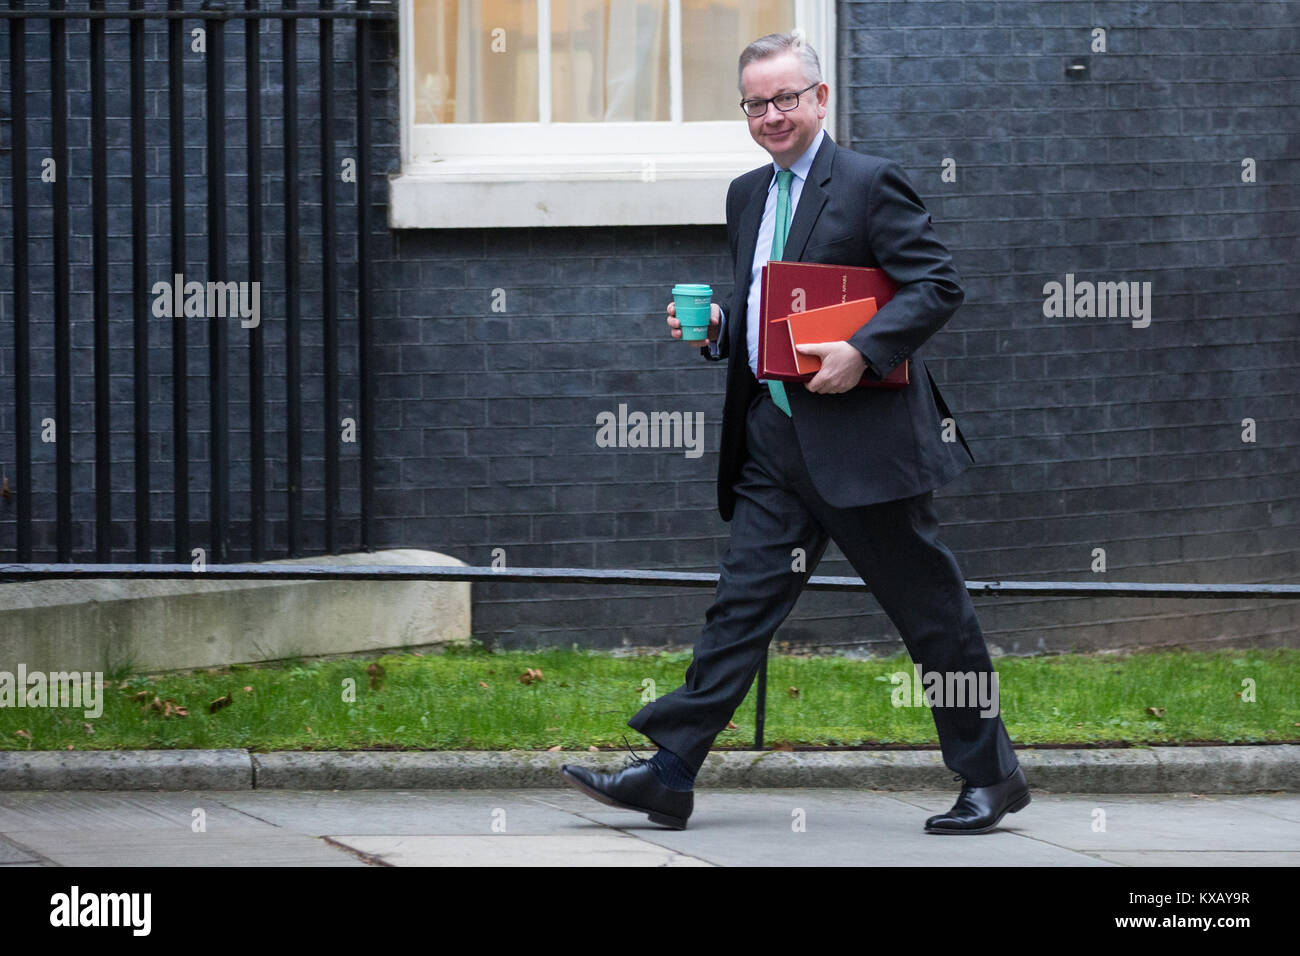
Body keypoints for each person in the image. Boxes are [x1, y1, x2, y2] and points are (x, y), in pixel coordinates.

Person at [562, 32, 1029, 835]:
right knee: (739, 610)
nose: (771, 115)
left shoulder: (869, 183)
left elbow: (937, 284)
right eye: (755, 103)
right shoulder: (749, 192)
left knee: (934, 618)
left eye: (785, 98)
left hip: (863, 450)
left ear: (819, 98)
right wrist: (716, 334)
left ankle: (992, 778)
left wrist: (864, 349)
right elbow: (766, 305)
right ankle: (670, 773)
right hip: (774, 443)